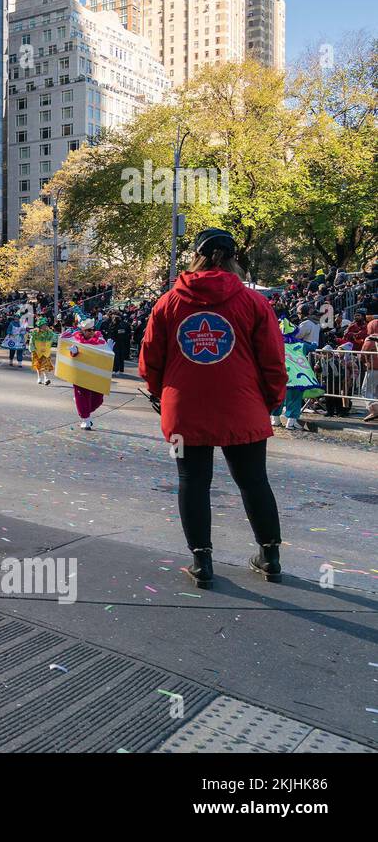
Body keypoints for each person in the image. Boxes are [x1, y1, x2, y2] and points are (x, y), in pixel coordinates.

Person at [138, 228, 287, 589]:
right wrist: (270, 400)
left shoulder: (169, 302)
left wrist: (162, 395)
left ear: (196, 256)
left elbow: (149, 361)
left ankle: (202, 561)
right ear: (233, 258)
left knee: (192, 482)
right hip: (243, 407)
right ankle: (270, 557)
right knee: (254, 481)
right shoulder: (253, 302)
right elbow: (273, 359)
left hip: (184, 412)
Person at [61, 317, 108, 428]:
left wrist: (108, 351)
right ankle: (85, 419)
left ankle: (83, 410)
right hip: (80, 374)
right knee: (82, 396)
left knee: (98, 400)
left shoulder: (100, 340)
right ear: (83, 331)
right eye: (88, 330)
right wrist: (74, 353)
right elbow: (68, 352)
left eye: (92, 330)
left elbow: (104, 356)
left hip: (96, 375)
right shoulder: (75, 339)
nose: (91, 332)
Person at [29, 317, 56, 385]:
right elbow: (31, 342)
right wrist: (32, 349)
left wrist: (62, 337)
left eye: (45, 325)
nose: (45, 326)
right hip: (37, 352)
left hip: (45, 352)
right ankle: (39, 378)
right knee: (38, 365)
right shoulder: (35, 333)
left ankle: (46, 378)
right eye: (43, 325)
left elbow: (55, 337)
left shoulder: (49, 332)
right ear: (40, 326)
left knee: (45, 364)